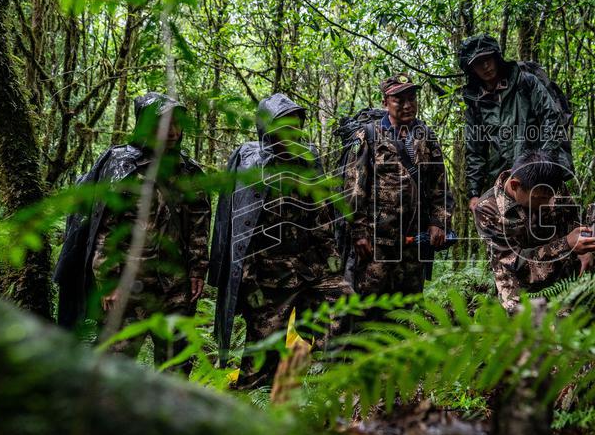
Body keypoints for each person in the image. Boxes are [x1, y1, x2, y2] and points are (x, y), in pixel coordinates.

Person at [54, 92, 210, 374]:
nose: (174, 132)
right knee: (114, 362)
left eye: (177, 124)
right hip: (128, 285)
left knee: (176, 365)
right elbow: (104, 229)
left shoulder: (189, 171)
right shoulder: (122, 167)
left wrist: (198, 269)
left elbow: (199, 223)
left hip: (175, 285)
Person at [208, 93, 353, 385]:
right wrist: (247, 281)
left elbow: (321, 216)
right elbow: (240, 233)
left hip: (309, 266)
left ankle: (330, 381)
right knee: (262, 355)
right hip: (267, 275)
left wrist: (333, 264)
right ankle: (252, 396)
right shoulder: (251, 164)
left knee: (341, 301)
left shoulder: (307, 162)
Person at [342, 73, 453, 300]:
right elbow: (354, 188)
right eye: (399, 100)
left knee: (407, 307)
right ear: (385, 102)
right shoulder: (369, 136)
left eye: (412, 98)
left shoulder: (426, 136)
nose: (407, 105)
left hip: (415, 242)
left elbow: (439, 186)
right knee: (368, 306)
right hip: (377, 244)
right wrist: (359, 232)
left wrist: (438, 222)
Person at [457, 34, 571, 216]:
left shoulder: (525, 82)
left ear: (496, 57)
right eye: (478, 63)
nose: (486, 66)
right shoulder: (475, 103)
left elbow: (552, 118)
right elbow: (475, 149)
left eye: (488, 59)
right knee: (509, 235)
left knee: (552, 226)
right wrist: (474, 192)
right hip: (505, 183)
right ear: (471, 69)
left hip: (540, 176)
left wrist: (543, 166)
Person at [474, 150, 595, 312]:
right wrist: (567, 244)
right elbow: (514, 265)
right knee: (533, 329)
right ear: (515, 185)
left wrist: (584, 248)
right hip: (519, 280)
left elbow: (572, 220)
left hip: (561, 272)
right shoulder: (488, 210)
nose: (548, 203)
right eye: (539, 198)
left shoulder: (551, 187)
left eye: (550, 197)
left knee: (573, 324)